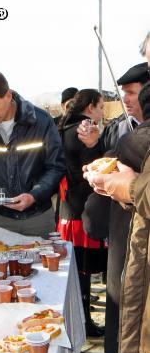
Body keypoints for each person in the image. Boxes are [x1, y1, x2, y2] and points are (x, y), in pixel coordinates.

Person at [78, 62, 150, 353]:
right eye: (126, 93)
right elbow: (110, 159)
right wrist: (98, 153)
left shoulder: (137, 137)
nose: (129, 99)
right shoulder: (119, 125)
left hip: (134, 254)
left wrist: (122, 184)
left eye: (133, 93)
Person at [0, 71, 66, 239]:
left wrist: (34, 195)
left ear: (8, 95)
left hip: (39, 218)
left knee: (44, 265)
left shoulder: (42, 121)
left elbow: (56, 167)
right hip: (1, 220)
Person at [57, 89, 107, 337]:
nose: (102, 111)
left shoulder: (66, 127)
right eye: (100, 106)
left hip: (70, 210)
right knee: (82, 273)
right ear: (89, 107)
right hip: (82, 209)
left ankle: (80, 320)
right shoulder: (84, 129)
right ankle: (84, 322)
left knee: (77, 272)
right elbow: (93, 170)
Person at [77, 62, 149, 152]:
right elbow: (101, 162)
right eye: (124, 93)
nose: (125, 100)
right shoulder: (114, 129)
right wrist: (93, 144)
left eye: (131, 93)